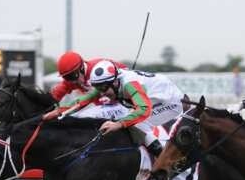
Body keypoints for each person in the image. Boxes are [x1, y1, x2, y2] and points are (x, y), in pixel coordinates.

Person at [51, 59, 186, 156]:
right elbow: (84, 100)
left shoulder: (129, 85)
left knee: (137, 123)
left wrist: (119, 124)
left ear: (115, 82)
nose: (102, 94)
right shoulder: (107, 82)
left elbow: (143, 110)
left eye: (103, 89)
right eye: (98, 89)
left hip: (171, 101)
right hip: (153, 96)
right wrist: (58, 112)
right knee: (129, 121)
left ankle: (164, 159)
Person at [49, 51, 127, 103]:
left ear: (82, 68)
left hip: (124, 101)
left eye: (72, 76)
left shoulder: (97, 70)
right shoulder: (71, 81)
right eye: (67, 77)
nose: (72, 81)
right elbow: (55, 95)